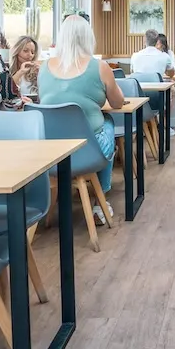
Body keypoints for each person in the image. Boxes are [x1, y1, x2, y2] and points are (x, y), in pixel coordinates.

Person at [39, 13, 124, 224]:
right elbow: (118, 104)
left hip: (50, 155)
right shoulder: (99, 67)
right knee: (108, 123)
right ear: (89, 37)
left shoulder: (44, 67)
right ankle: (100, 201)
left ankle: (51, 208)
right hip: (88, 153)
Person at [9, 35, 40, 100]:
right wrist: (20, 72)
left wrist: (41, 76)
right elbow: (8, 90)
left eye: (32, 52)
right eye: (25, 51)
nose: (30, 55)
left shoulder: (36, 73)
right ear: (16, 51)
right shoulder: (7, 71)